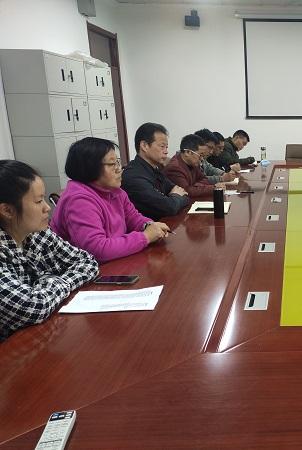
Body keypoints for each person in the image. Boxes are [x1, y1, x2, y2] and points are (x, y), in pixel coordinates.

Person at [0, 160, 99, 340]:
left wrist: (48, 282)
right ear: (7, 210)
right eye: (38, 201)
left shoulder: (36, 233)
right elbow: (34, 307)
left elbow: (87, 261)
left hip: (40, 334)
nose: (47, 207)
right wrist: (55, 280)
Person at [50, 137, 171, 263]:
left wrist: (149, 225)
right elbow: (97, 250)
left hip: (115, 262)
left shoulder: (115, 191)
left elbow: (133, 218)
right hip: (86, 268)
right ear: (90, 167)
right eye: (112, 164)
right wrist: (145, 237)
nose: (119, 169)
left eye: (118, 162)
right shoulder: (79, 200)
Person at [121, 123, 189, 220]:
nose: (166, 151)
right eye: (162, 146)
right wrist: (175, 196)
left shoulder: (154, 169)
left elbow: (183, 193)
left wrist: (173, 198)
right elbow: (169, 208)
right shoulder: (133, 176)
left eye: (166, 147)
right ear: (144, 146)